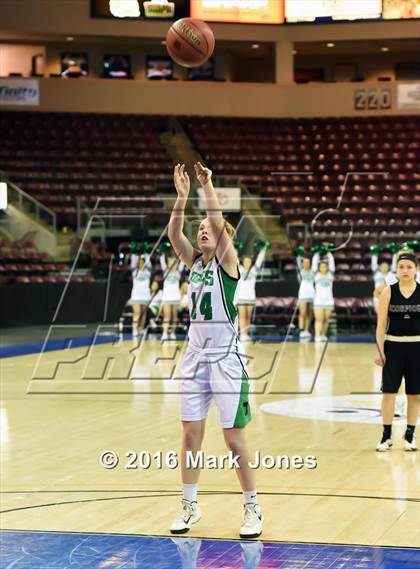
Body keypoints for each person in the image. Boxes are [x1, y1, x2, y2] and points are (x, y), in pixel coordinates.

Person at [168, 162, 263, 538]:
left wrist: (208, 187)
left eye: (208, 228)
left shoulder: (228, 264)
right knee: (190, 435)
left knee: (233, 438)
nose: (202, 229)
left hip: (226, 360)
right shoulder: (193, 263)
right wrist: (181, 198)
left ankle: (252, 507)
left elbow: (216, 220)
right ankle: (189, 504)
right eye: (200, 229)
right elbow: (175, 232)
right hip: (194, 359)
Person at [374, 252, 419, 452]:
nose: (405, 270)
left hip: (417, 347)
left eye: (409, 267)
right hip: (393, 347)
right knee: (389, 394)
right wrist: (379, 350)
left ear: (416, 269)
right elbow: (381, 323)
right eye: (401, 267)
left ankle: (410, 435)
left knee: (415, 395)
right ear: (397, 270)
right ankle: (386, 435)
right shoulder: (388, 292)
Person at [237, 245, 268, 342]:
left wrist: (263, 248)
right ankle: (242, 334)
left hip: (250, 297)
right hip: (241, 297)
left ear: (251, 263)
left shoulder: (254, 270)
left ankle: (246, 333)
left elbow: (259, 260)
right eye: (246, 261)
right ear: (243, 262)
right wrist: (234, 248)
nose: (247, 263)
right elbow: (234, 258)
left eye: (249, 261)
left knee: (248, 317)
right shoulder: (240, 269)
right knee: (242, 316)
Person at [160, 252, 184, 340]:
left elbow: (182, 262)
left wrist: (182, 253)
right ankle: (165, 333)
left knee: (174, 316)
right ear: (168, 264)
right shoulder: (165, 271)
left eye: (173, 263)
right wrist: (162, 252)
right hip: (166, 297)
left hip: (175, 297)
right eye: (170, 263)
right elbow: (162, 260)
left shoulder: (178, 272)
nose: (171, 265)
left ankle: (173, 333)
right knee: (166, 316)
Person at [129, 253, 152, 337]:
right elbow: (133, 259)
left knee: (143, 314)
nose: (141, 264)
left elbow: (149, 261)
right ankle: (134, 329)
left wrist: (146, 254)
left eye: (143, 262)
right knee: (137, 313)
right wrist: (136, 252)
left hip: (145, 295)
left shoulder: (148, 271)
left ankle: (141, 328)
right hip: (136, 295)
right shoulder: (134, 271)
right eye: (140, 262)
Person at [296, 255, 315, 339]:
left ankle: (307, 330)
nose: (306, 264)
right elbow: (297, 258)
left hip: (311, 294)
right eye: (305, 262)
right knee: (302, 313)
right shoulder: (300, 272)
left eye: (308, 262)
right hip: (303, 294)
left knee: (309, 313)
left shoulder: (313, 272)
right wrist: (300, 254)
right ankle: (301, 330)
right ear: (302, 264)